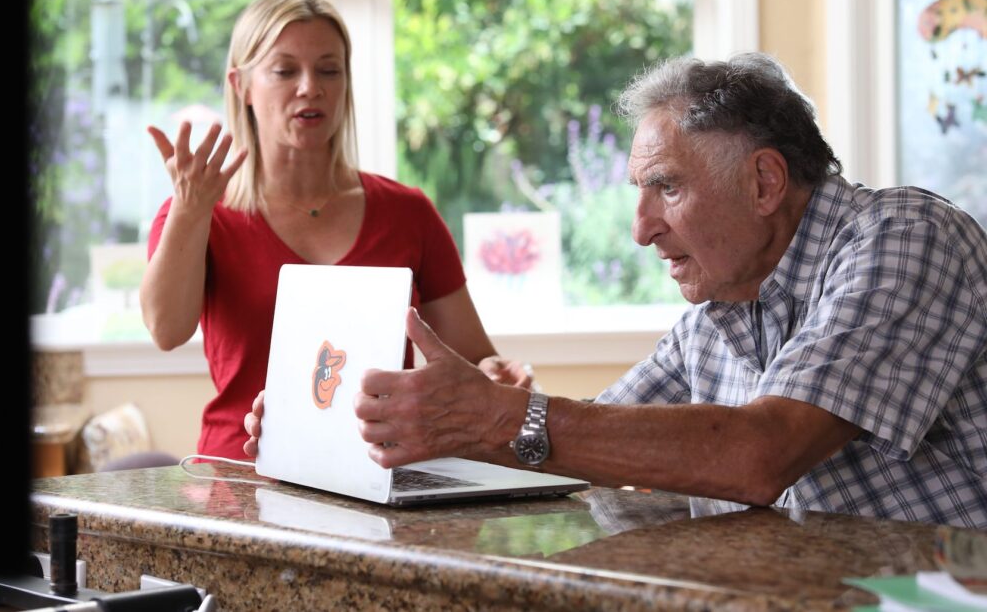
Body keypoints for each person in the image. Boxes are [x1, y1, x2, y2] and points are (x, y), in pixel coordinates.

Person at [245, 51, 987, 528]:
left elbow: (760, 454)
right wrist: (374, 426)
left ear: (765, 181)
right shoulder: (724, 306)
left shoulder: (905, 236)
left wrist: (499, 414)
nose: (641, 229)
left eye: (665, 187)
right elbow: (581, 438)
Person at [140, 0, 530, 461]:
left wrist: (494, 376)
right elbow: (166, 331)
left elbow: (470, 358)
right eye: (285, 71)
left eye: (329, 70)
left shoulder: (409, 212)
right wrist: (190, 208)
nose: (310, 87)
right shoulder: (200, 211)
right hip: (240, 480)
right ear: (241, 85)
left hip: (383, 473)